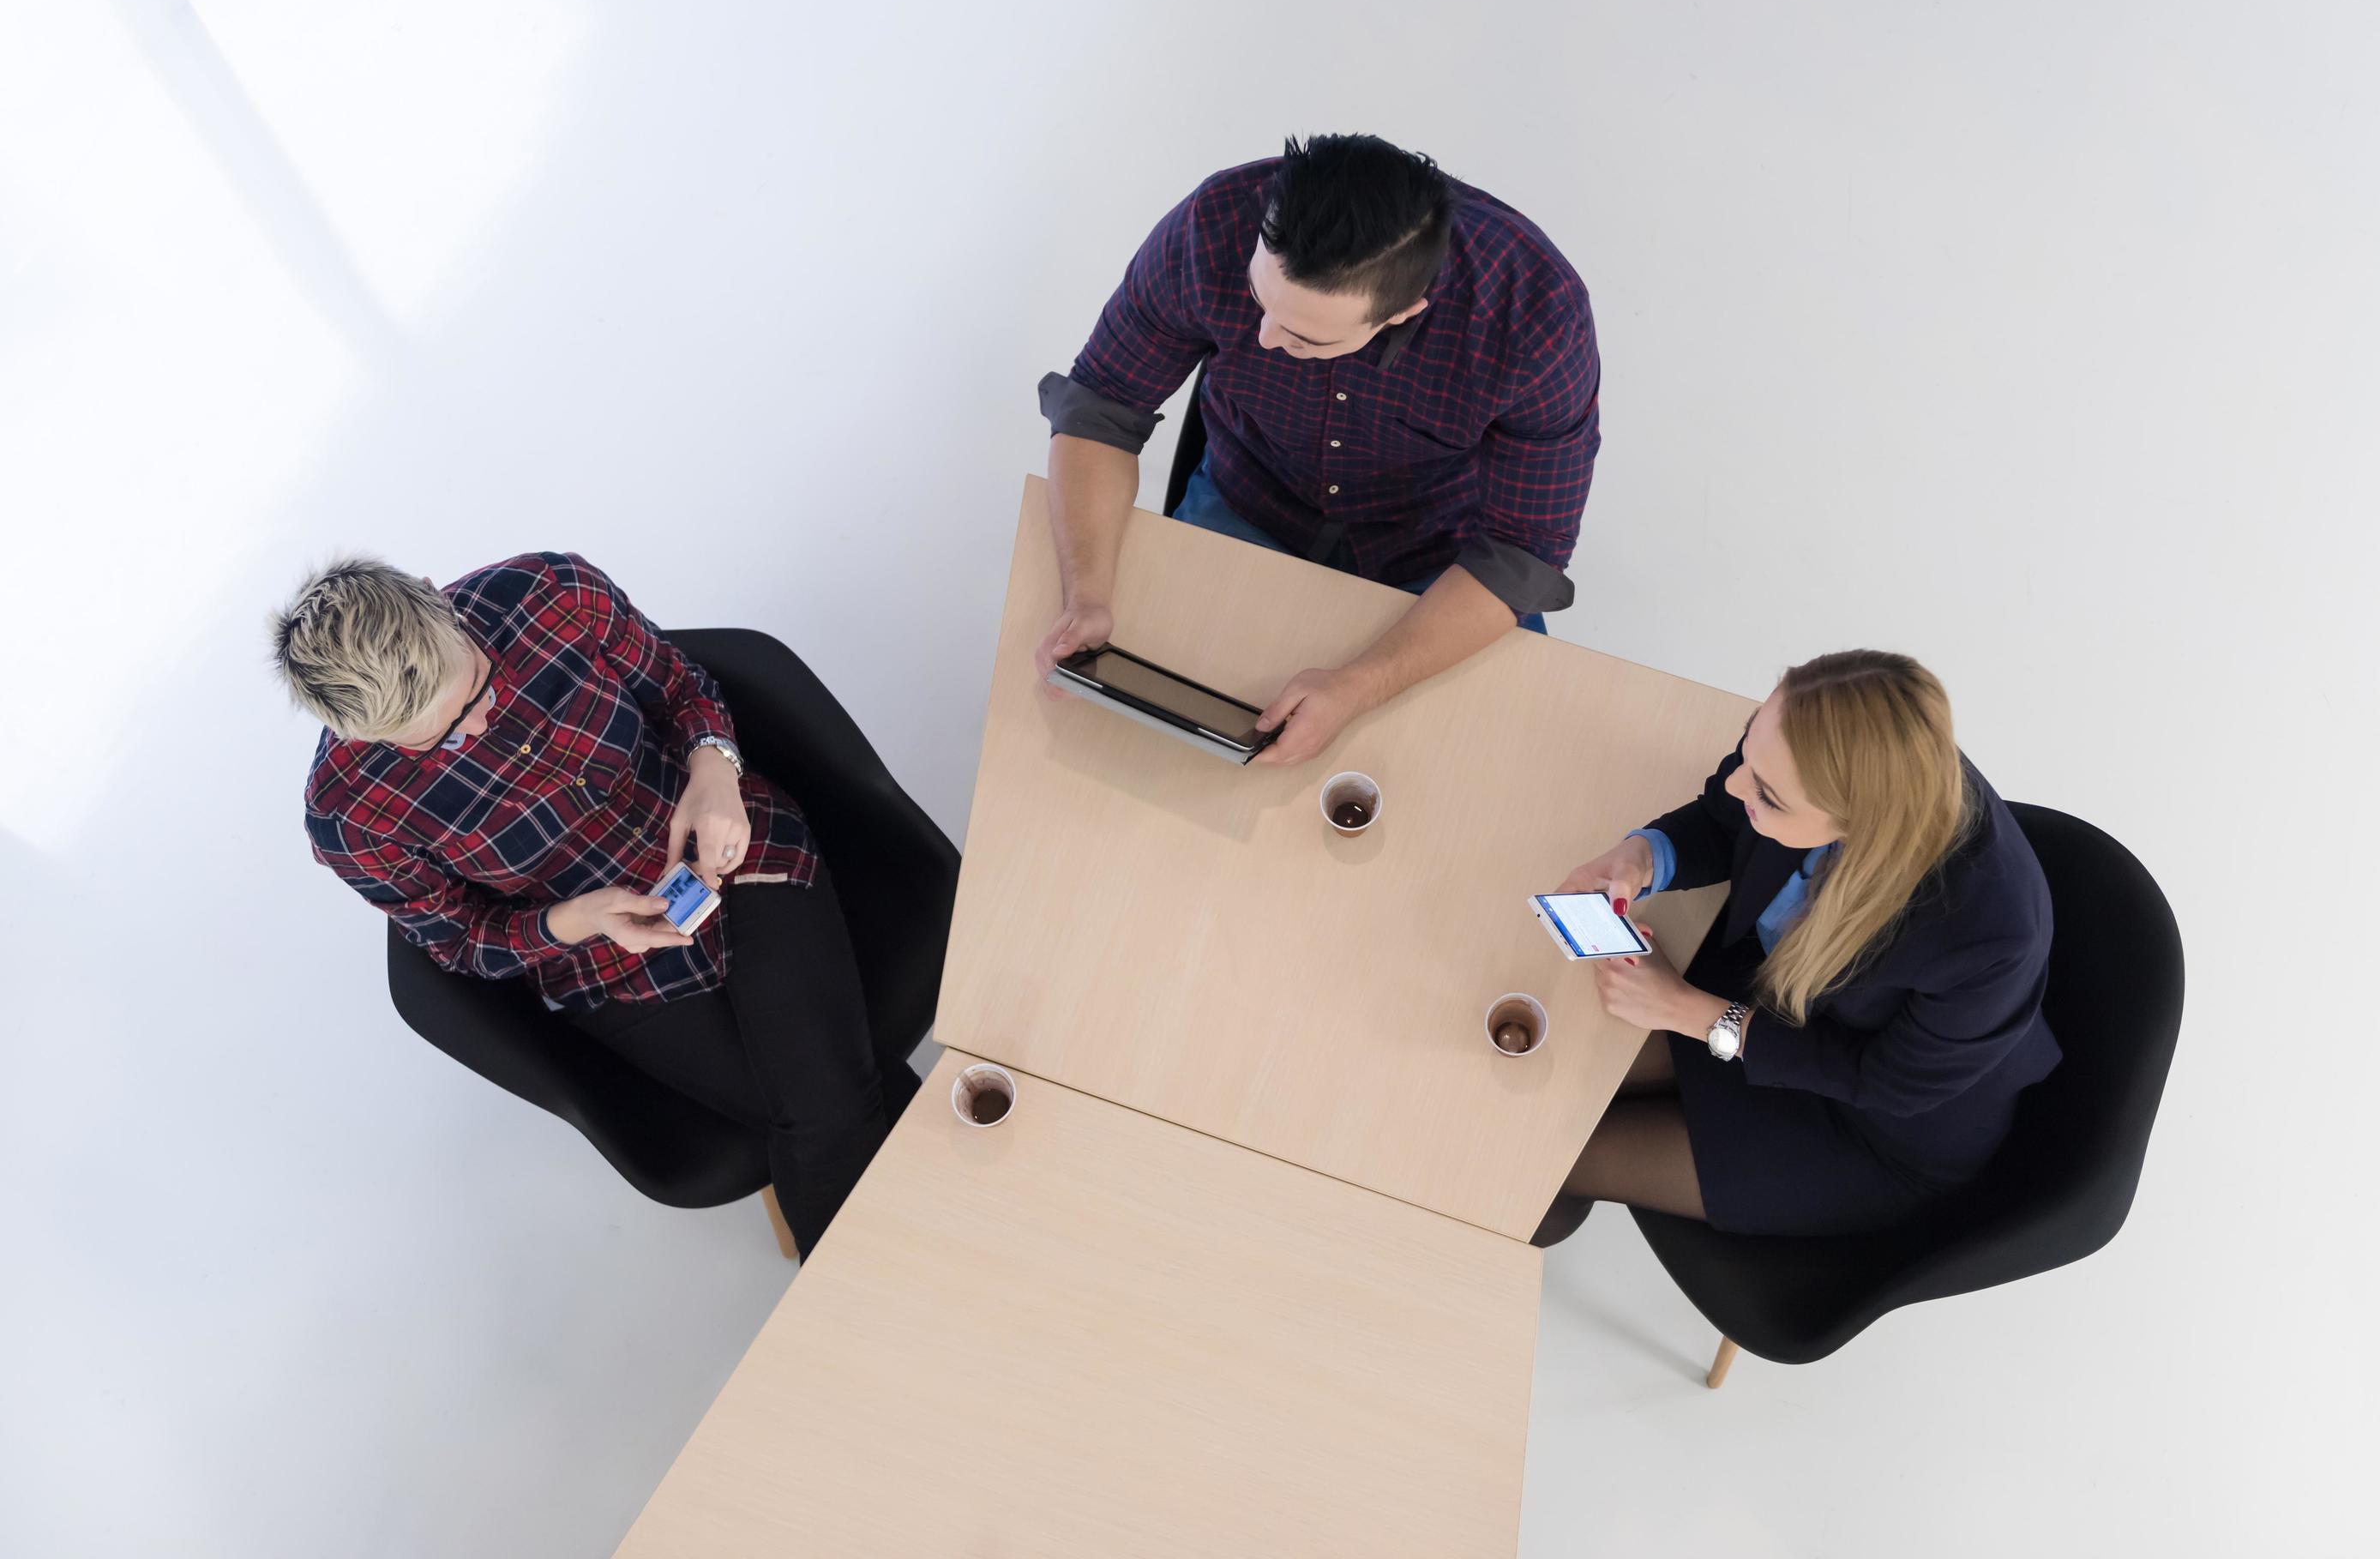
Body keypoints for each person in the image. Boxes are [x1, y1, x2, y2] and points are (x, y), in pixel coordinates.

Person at [273, 553, 926, 1259]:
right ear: (359, 735)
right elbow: (457, 942)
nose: (476, 724)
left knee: (821, 1116)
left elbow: (682, 687)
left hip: (737, 856)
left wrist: (714, 767)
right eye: (437, 737)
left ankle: (874, 1338)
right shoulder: (350, 817)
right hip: (608, 963)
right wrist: (574, 920)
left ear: (439, 600)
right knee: (831, 1105)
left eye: (474, 688)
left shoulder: (552, 592)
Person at [1033, 132, 1602, 767]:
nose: (1264, 338)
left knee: (1476, 767)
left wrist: (1363, 684)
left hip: (1437, 554)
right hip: (1251, 498)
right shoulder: (1211, 223)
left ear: (1403, 313)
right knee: (1154, 754)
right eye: (1257, 299)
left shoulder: (1535, 316)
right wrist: (1085, 595)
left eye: (1303, 336)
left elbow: (1518, 556)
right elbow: (1100, 411)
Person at [1535, 650, 2060, 1244]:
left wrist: (1687, 1010)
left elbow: (1886, 1083)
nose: (1736, 785)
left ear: (1860, 822)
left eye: (1767, 794)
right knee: (1548, 1087)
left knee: (1553, 1164)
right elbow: (1721, 819)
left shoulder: (1988, 940)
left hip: (1863, 1124)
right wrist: (1640, 858)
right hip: (1773, 1003)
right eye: (1748, 743)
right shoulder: (1818, 743)